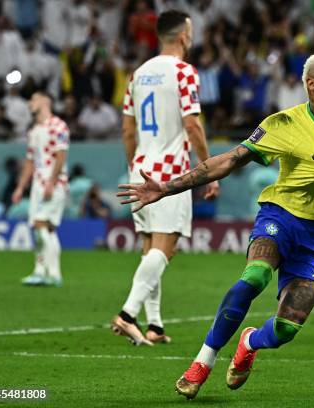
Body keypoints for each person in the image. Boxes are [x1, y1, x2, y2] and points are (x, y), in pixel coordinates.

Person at [117, 48, 314, 398]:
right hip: (280, 217)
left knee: (287, 328)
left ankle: (250, 342)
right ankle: (203, 361)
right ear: (312, 85)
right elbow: (229, 161)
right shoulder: (284, 124)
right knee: (255, 275)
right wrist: (166, 188)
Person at [110, 9, 220, 347]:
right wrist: (208, 169)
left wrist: (135, 165)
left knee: (150, 248)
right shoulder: (184, 72)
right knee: (165, 247)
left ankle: (154, 325)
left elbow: (128, 129)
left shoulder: (138, 74)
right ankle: (128, 315)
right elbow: (192, 124)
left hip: (141, 167)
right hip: (170, 172)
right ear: (185, 35)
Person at [12, 91, 69, 286]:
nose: (30, 103)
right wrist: (20, 188)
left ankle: (52, 273)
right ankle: (43, 271)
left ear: (45, 101)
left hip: (54, 180)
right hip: (37, 182)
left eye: (33, 99)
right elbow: (29, 162)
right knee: (46, 230)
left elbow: (61, 156)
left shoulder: (58, 126)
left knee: (40, 224)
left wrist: (52, 182)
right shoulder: (34, 130)